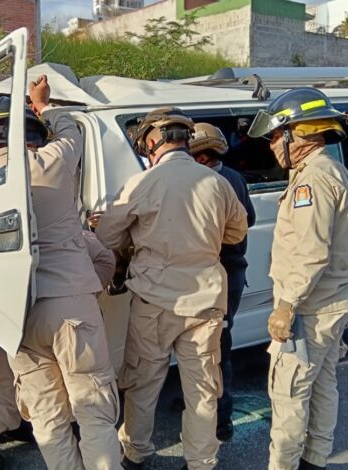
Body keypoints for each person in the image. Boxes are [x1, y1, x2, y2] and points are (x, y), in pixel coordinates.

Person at [0, 76, 121, 470]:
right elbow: (71, 129)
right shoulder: (52, 161)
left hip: (14, 315)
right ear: (33, 140)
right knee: (93, 407)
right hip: (69, 303)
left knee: (48, 419)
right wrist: (42, 104)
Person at [94, 107, 248, 470]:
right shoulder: (217, 182)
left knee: (144, 384)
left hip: (154, 301)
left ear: (152, 142)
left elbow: (106, 236)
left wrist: (139, 235)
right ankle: (201, 462)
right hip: (206, 302)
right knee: (202, 391)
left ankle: (135, 453)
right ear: (185, 140)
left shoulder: (142, 183)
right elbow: (237, 232)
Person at [247, 87, 348, 470]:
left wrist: (286, 305)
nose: (272, 146)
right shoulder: (331, 170)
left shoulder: (312, 181)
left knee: (290, 393)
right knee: (323, 385)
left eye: (277, 136)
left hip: (310, 310)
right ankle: (315, 460)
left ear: (300, 134)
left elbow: (312, 252)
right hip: (332, 303)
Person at [0, 230, 116, 470]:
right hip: (62, 317)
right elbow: (106, 259)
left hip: (6, 319)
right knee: (85, 399)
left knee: (10, 391)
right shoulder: (66, 232)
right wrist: (86, 295)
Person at [189, 122, 256, 442]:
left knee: (214, 348)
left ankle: (220, 417)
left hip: (217, 276)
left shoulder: (206, 182)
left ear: (201, 158)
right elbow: (250, 219)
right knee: (217, 346)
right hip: (234, 275)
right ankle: (211, 407)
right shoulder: (235, 177)